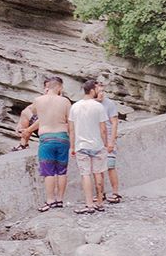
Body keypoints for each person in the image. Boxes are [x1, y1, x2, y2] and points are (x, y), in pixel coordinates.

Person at [17, 74, 73, 212]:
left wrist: (25, 130)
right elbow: (70, 122)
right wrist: (74, 143)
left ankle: (50, 201)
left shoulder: (38, 100)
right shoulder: (65, 102)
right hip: (62, 137)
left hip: (46, 139)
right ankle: (60, 200)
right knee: (61, 171)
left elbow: (32, 115)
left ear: (47, 87)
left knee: (48, 173)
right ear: (59, 87)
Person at [68, 78, 111, 215]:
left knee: (85, 174)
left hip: (81, 145)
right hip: (97, 144)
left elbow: (72, 129)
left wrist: (72, 147)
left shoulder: (75, 107)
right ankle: (100, 202)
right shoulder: (99, 106)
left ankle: (89, 204)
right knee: (98, 173)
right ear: (92, 90)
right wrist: (105, 143)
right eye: (97, 89)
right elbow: (103, 128)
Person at [99, 82, 124, 204]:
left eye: (103, 91)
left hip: (108, 138)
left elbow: (114, 122)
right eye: (99, 91)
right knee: (98, 168)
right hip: (96, 139)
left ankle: (115, 193)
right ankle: (101, 193)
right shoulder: (91, 104)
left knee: (110, 166)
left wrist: (112, 141)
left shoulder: (109, 104)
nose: (101, 94)